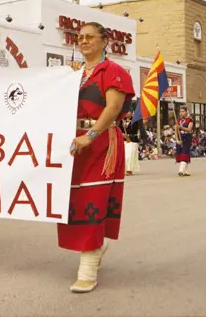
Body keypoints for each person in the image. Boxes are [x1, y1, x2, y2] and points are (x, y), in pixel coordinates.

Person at [60, 22, 134, 293]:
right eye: (80, 37)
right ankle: (93, 249)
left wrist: (89, 136)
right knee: (72, 200)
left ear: (105, 41)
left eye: (90, 37)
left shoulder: (112, 71)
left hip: (100, 143)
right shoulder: (74, 74)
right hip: (72, 143)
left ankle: (88, 269)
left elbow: (113, 108)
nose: (83, 41)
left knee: (92, 199)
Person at [175, 107, 193, 176]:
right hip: (180, 137)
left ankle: (181, 170)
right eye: (180, 111)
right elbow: (176, 130)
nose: (181, 113)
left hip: (187, 137)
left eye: (182, 111)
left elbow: (189, 129)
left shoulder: (189, 120)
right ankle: (186, 171)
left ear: (186, 112)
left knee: (185, 152)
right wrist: (177, 140)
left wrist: (181, 127)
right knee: (180, 153)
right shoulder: (178, 121)